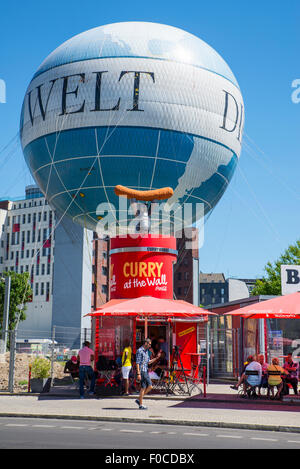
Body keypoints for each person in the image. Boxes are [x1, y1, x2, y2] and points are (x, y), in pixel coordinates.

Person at [135, 338, 162, 410]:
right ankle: (140, 403)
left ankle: (140, 400)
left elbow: (148, 362)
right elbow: (137, 363)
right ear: (145, 343)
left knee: (146, 387)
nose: (150, 346)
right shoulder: (140, 351)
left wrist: (156, 358)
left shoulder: (146, 351)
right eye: (149, 344)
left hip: (145, 371)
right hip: (142, 371)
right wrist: (138, 373)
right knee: (147, 386)